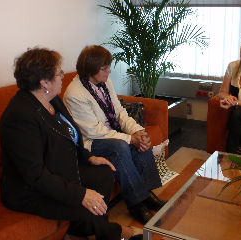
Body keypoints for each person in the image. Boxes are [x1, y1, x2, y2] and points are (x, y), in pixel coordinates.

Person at [0, 47, 142, 240]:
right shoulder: (19, 117)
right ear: (44, 82)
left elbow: (70, 137)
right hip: (30, 190)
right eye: (59, 73)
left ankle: (84, 226)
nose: (63, 77)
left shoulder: (52, 100)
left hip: (59, 169)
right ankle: (113, 232)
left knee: (105, 173)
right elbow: (35, 175)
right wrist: (81, 195)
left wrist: (88, 157)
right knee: (87, 207)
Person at [63, 45, 166, 224]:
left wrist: (137, 132)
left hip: (110, 132)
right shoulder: (75, 93)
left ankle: (146, 193)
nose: (109, 71)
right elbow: (93, 131)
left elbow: (120, 113)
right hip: (90, 142)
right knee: (120, 147)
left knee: (142, 137)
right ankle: (136, 204)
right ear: (91, 68)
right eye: (105, 68)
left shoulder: (105, 83)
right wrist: (129, 139)